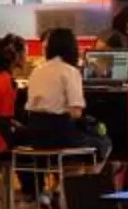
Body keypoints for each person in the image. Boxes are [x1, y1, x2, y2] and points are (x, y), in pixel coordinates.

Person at [13, 27, 105, 155]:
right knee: (103, 141)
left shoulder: (36, 71)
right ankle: (82, 173)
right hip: (61, 136)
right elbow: (76, 113)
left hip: (35, 135)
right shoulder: (70, 72)